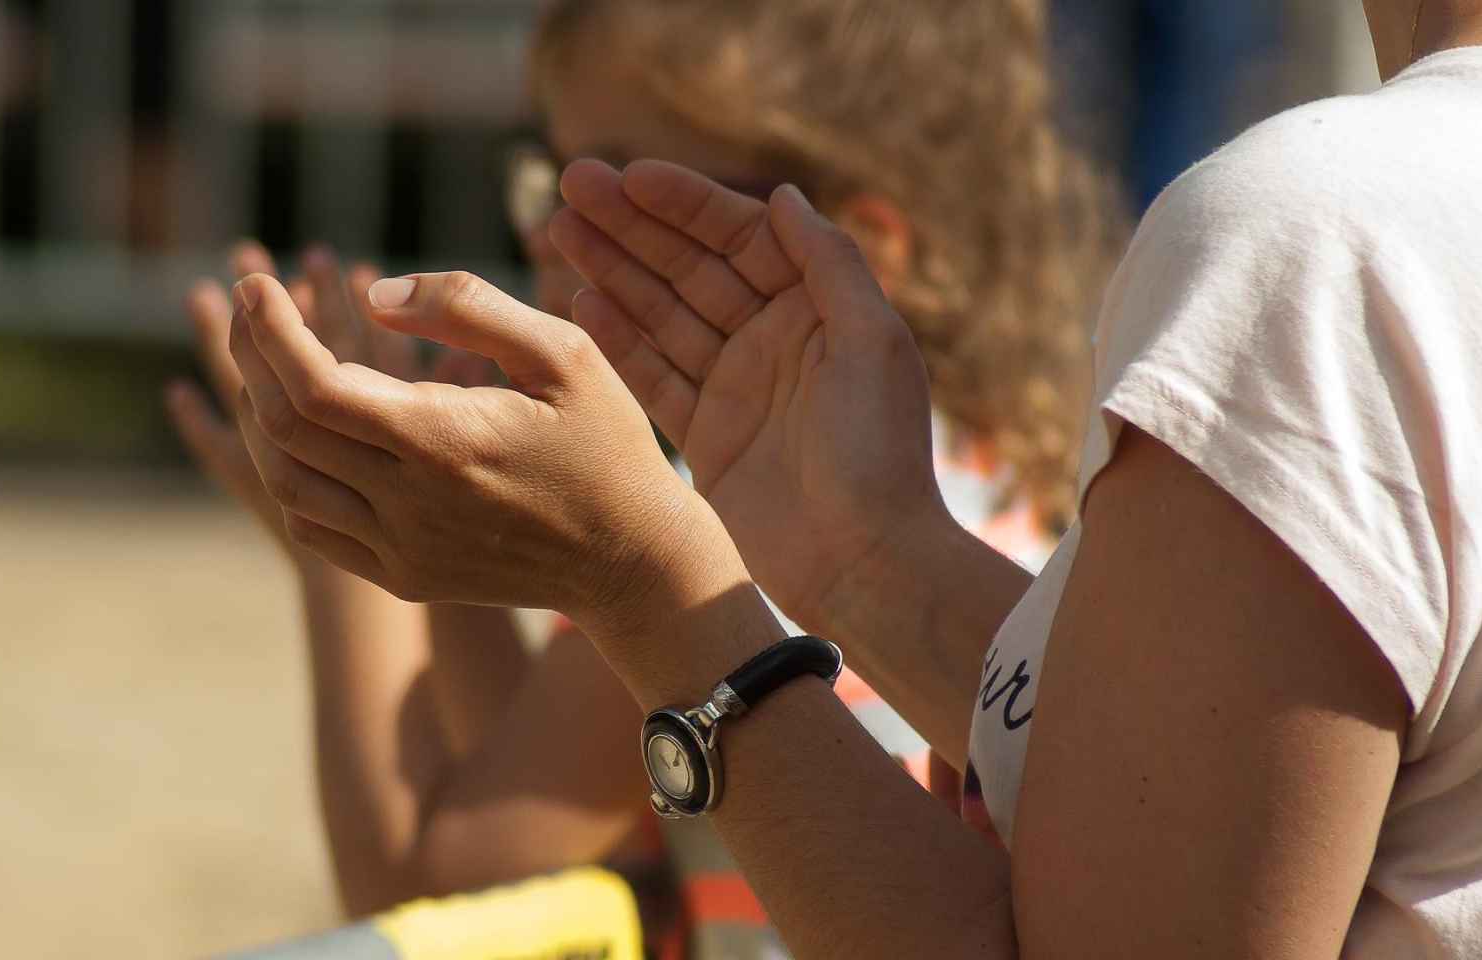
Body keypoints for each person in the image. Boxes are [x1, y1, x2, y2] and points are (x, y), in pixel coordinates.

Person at [220, 0, 1482, 955]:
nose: (565, 239)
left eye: (629, 184)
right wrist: (858, 557)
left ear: (848, 230)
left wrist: (587, 575)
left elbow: (441, 871)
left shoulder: (1335, 238)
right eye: (552, 182)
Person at [166, 0, 1117, 952]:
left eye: (613, 188)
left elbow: (424, 887)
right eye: (549, 176)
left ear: (851, 249)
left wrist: (332, 532)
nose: (547, 231)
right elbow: (532, 787)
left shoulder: (736, 527)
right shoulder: (992, 472)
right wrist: (417, 537)